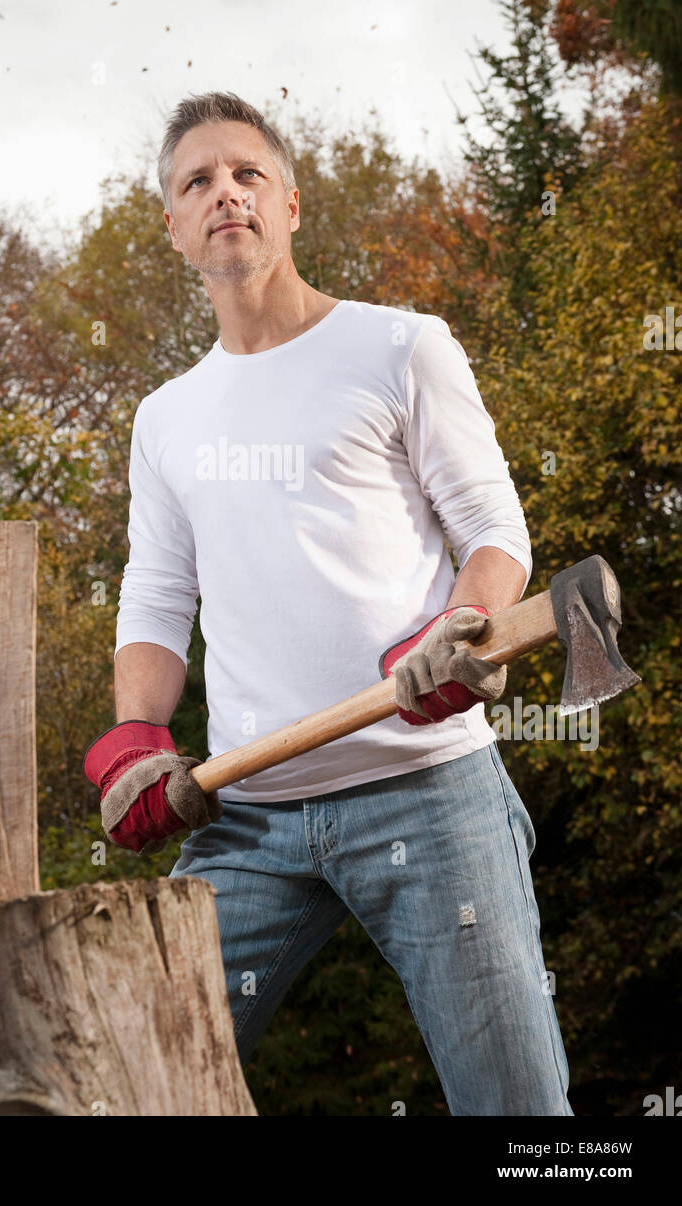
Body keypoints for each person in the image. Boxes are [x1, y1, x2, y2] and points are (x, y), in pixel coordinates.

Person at [83, 90, 574, 1116]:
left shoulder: (401, 347)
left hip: (428, 793)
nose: (226, 192)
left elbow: (496, 531)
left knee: (518, 1114)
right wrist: (135, 737)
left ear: (291, 204)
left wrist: (460, 624)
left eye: (247, 172)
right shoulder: (165, 418)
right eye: (197, 181)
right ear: (172, 228)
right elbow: (158, 593)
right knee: (126, 1083)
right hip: (248, 816)